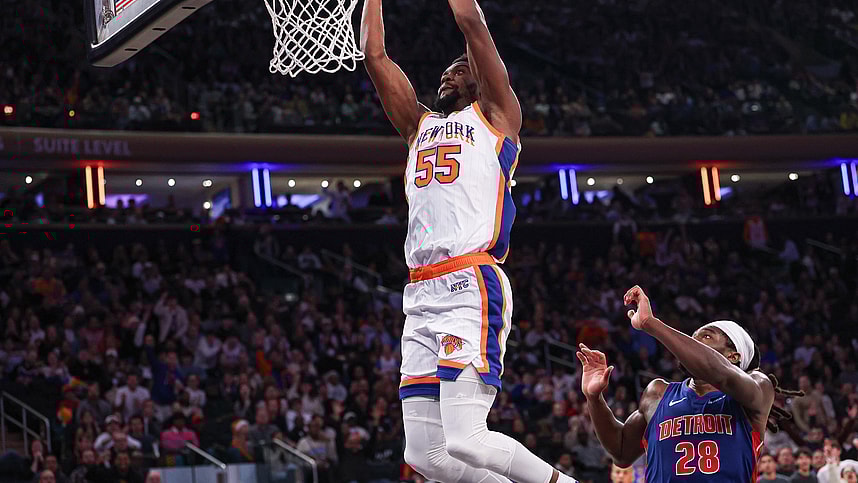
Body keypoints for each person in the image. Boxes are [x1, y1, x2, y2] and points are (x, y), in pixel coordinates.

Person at [360, 0, 572, 482]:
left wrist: (469, 33)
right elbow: (376, 57)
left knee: (465, 437)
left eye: (460, 70)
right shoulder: (418, 126)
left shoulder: (497, 117)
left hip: (469, 281)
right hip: (419, 291)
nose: (448, 76)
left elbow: (471, 23)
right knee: (425, 454)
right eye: (446, 72)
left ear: (481, 78)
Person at [579, 285, 803, 482]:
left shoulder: (758, 387)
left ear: (734, 356)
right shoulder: (658, 393)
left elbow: (722, 375)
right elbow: (620, 452)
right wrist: (594, 399)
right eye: (691, 338)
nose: (691, 344)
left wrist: (651, 324)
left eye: (705, 338)